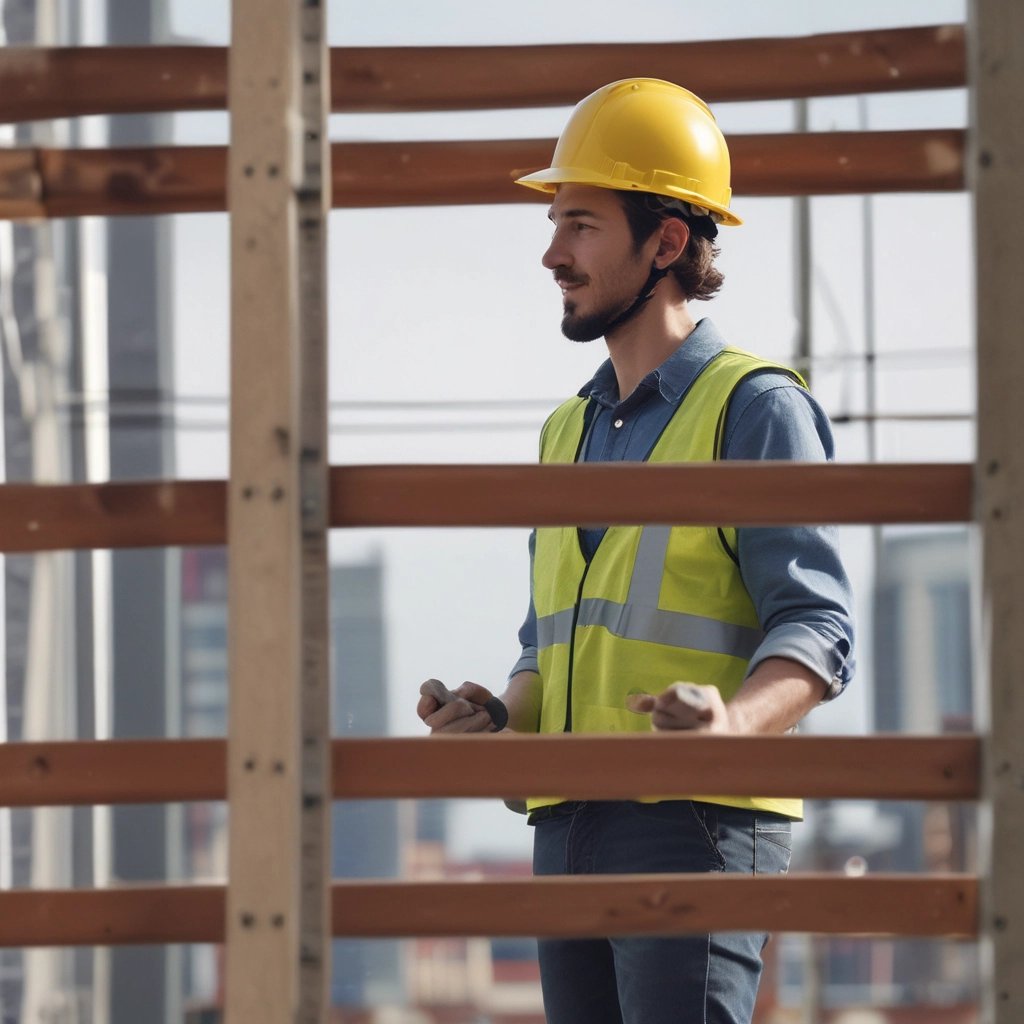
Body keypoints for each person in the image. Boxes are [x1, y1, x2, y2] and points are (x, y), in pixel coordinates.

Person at [416, 78, 855, 1024]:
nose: (551, 254)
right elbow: (550, 647)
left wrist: (731, 730)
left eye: (580, 225)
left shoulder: (757, 408)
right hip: (564, 823)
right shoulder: (562, 431)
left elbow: (819, 627)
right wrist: (497, 722)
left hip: (692, 825)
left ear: (665, 243)